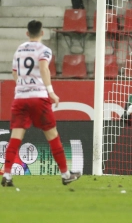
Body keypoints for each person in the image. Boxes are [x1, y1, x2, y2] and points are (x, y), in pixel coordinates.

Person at [1, 20, 81, 187]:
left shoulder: (20, 50)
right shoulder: (44, 50)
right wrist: (51, 91)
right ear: (42, 33)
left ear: (27, 33)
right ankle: (65, 174)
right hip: (38, 96)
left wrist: (22, 87)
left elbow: (14, 72)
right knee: (52, 135)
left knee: (16, 137)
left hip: (20, 98)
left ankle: (7, 175)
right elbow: (43, 68)